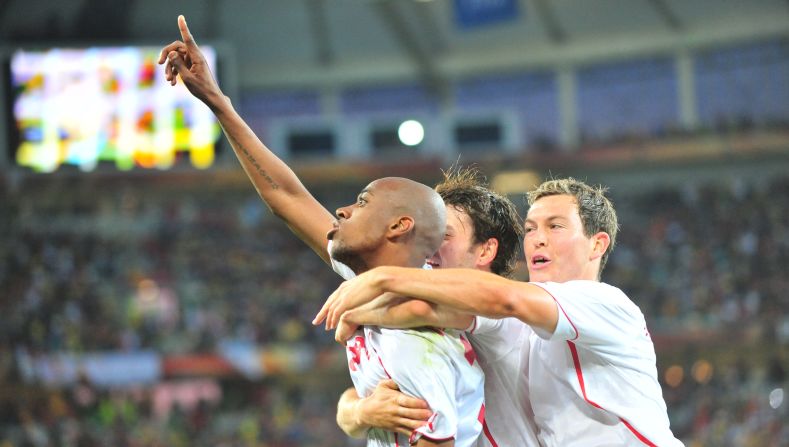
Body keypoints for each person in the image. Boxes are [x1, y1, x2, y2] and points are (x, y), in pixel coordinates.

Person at [159, 16, 485, 446]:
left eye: (363, 202)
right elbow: (287, 197)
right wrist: (217, 101)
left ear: (399, 226)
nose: (342, 210)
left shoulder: (417, 338)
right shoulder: (377, 286)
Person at [317, 177, 684, 446]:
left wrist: (383, 281)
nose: (537, 238)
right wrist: (356, 411)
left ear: (597, 244)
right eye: (530, 228)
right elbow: (429, 310)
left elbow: (503, 299)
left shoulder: (605, 303)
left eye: (555, 227)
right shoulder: (500, 318)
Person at [334, 167, 540, 446]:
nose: (428, 248)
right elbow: (360, 396)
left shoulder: (506, 315)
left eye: (442, 235)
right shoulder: (409, 289)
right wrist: (358, 412)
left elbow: (422, 312)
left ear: (485, 250)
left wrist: (360, 306)